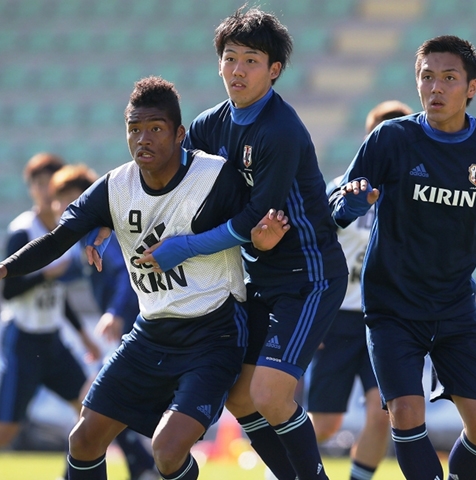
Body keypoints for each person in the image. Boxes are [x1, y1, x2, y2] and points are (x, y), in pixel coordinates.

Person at [87, 8, 349, 480]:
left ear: (274, 70)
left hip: (308, 276)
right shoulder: (211, 124)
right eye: (230, 58)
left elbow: (254, 219)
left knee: (269, 394)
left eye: (251, 60)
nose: (237, 70)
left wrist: (184, 249)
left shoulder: (281, 130)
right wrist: (107, 214)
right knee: (241, 395)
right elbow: (162, 172)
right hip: (255, 275)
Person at [0, 76, 289, 480]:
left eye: (155, 129)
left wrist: (264, 248)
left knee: (166, 450)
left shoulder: (215, 178)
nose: (143, 139)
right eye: (134, 129)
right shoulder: (115, 186)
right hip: (150, 334)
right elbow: (59, 238)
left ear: (180, 134)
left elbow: (256, 225)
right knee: (84, 439)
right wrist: (2, 269)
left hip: (213, 335)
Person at [328, 35, 476, 480]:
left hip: (455, 307)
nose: (435, 88)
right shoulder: (391, 138)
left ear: (471, 88)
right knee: (404, 411)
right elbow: (336, 209)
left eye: (449, 78)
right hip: (391, 308)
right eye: (426, 77)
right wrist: (352, 204)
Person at [306, 99, 413, 480]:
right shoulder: (341, 189)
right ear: (369, 139)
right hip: (336, 319)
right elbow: (310, 249)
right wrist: (309, 313)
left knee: (383, 413)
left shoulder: (414, 198)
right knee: (325, 424)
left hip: (384, 320)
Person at [0, 153, 101, 454]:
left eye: (49, 182)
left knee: (89, 409)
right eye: (37, 184)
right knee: (1, 434)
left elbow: (59, 296)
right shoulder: (23, 230)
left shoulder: (67, 231)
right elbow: (8, 292)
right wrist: (45, 274)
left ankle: (73, 474)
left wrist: (84, 336)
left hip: (52, 341)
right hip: (23, 339)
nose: (45, 189)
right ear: (31, 189)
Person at [50, 164, 158, 480]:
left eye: (68, 201)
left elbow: (124, 273)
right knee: (102, 402)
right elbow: (71, 270)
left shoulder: (99, 232)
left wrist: (115, 312)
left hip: (135, 327)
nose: (61, 208)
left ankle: (139, 467)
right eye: (59, 202)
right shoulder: (86, 236)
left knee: (97, 398)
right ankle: (142, 468)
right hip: (132, 327)